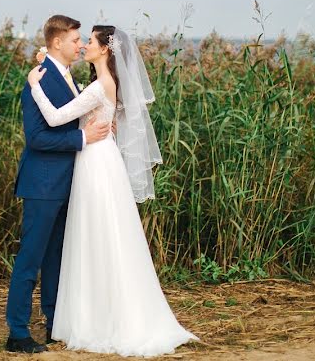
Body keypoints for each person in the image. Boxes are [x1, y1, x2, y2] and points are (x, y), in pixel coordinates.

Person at [25, 25, 199, 357]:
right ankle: (104, 313)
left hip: (94, 161)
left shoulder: (98, 86)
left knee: (96, 234)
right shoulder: (106, 84)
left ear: (105, 49)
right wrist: (46, 59)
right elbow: (75, 94)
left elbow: (57, 114)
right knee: (105, 234)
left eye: (88, 41)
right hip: (103, 159)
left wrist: (35, 85)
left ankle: (100, 319)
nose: (83, 46)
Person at [4, 15, 111, 354]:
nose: (80, 45)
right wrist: (82, 137)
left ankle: (53, 324)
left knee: (55, 259)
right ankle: (17, 333)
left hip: (65, 185)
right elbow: (36, 137)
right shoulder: (39, 79)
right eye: (75, 39)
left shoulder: (65, 76)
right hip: (43, 184)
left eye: (82, 40)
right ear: (57, 43)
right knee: (31, 258)